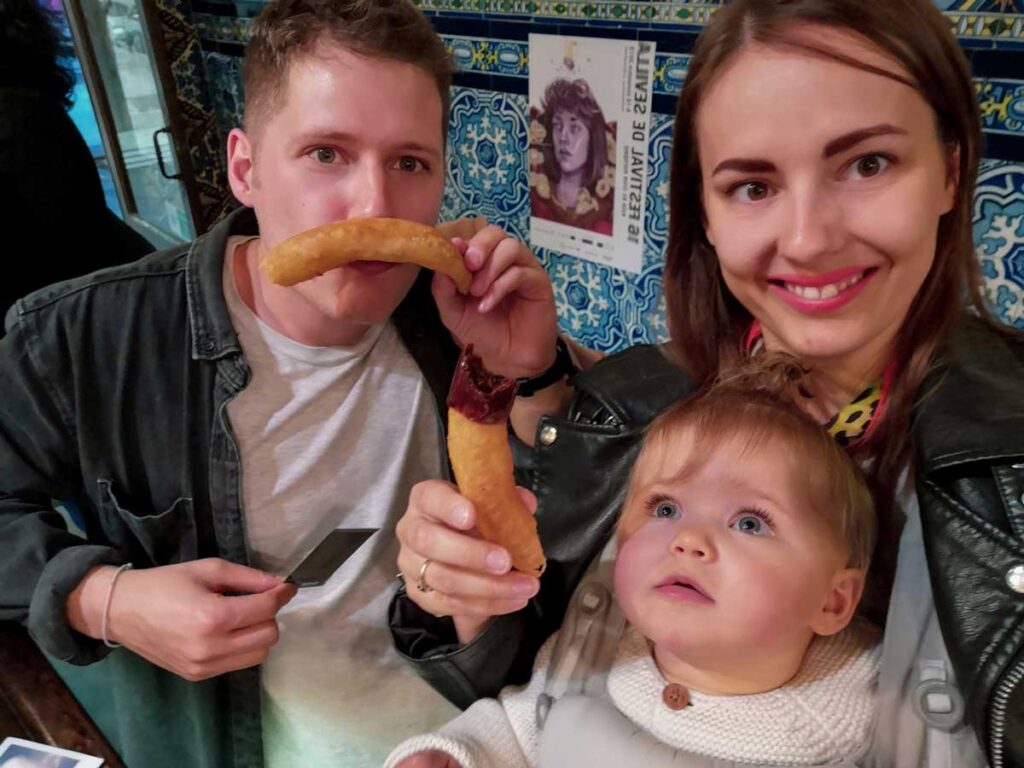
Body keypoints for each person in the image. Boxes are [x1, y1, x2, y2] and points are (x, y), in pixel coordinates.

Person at [391, 0, 1024, 765]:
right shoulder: (647, 396)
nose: (809, 238)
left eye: (867, 164)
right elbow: (536, 681)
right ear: (709, 215)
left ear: (952, 172)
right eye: (753, 186)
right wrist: (468, 588)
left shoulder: (1005, 464)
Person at [0, 1, 556, 767]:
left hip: (467, 732)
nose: (373, 205)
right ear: (245, 168)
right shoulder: (81, 337)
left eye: (409, 163)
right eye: (326, 154)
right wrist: (105, 600)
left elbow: (589, 526)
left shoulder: (456, 315)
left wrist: (531, 368)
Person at [389, 370, 881, 767]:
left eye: (750, 522)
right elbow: (520, 727)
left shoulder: (863, 721)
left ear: (831, 600)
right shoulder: (595, 645)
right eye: (665, 509)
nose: (689, 539)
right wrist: (456, 754)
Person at [0, 0, 153, 321]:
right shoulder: (25, 106)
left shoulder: (19, 116)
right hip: (101, 302)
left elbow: (60, 247)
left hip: (99, 314)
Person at [529, 78, 614, 235]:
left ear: (592, 139)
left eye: (574, 128)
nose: (563, 137)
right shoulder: (536, 199)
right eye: (557, 125)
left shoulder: (604, 213)